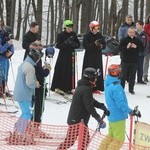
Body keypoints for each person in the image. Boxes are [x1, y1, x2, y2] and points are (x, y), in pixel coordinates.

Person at [57, 67, 110, 150]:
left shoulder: (83, 87)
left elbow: (90, 101)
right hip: (77, 121)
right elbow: (89, 107)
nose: (96, 80)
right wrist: (99, 119)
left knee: (84, 141)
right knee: (70, 141)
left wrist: (102, 106)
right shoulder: (86, 89)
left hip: (80, 121)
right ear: (90, 78)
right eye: (95, 77)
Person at [99, 64, 141, 150]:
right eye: (119, 71)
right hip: (117, 116)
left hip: (112, 115)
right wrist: (130, 111)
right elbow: (121, 104)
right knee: (119, 140)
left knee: (111, 136)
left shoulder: (108, 83)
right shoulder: (116, 87)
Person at [7, 47, 43, 145]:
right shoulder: (30, 67)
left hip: (20, 92)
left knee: (25, 112)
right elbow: (29, 83)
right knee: (27, 113)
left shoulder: (25, 63)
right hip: (24, 93)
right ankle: (20, 132)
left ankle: (18, 129)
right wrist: (36, 84)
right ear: (36, 58)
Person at [51, 20, 80, 94]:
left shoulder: (73, 34)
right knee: (62, 70)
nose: (70, 29)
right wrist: (66, 43)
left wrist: (74, 44)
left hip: (71, 54)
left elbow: (78, 44)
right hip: (63, 55)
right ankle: (60, 87)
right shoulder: (61, 35)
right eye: (69, 28)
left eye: (71, 28)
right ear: (65, 27)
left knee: (70, 71)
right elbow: (58, 45)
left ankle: (70, 87)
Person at [30, 42, 51, 138]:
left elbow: (38, 71)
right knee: (37, 107)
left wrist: (43, 69)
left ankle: (33, 126)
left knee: (36, 108)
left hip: (36, 85)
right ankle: (33, 127)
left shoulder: (34, 59)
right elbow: (40, 73)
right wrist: (47, 70)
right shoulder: (35, 59)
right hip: (37, 87)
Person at [82, 21, 106, 94]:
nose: (97, 30)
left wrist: (101, 46)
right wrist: (94, 44)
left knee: (97, 70)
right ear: (91, 28)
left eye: (98, 28)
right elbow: (85, 46)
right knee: (89, 70)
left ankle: (96, 87)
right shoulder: (87, 35)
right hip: (89, 56)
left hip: (97, 55)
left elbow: (104, 44)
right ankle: (87, 86)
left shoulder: (99, 35)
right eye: (95, 28)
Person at [119, 27, 144, 94]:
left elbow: (142, 49)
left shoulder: (137, 40)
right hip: (125, 61)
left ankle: (131, 89)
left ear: (134, 33)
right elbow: (119, 48)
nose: (131, 34)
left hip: (135, 61)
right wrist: (126, 47)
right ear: (127, 32)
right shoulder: (124, 40)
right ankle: (121, 89)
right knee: (123, 76)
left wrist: (136, 47)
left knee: (132, 76)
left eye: (133, 32)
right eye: (130, 32)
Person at [0, 25, 14, 97]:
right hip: (1, 58)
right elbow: (0, 49)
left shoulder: (7, 38)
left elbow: (12, 46)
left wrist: (11, 52)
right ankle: (0, 90)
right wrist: (7, 44)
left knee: (6, 74)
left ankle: (4, 89)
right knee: (1, 75)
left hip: (6, 59)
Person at [143, 14, 150, 82]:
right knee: (146, 62)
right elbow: (145, 36)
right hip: (147, 47)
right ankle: (145, 75)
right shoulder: (146, 27)